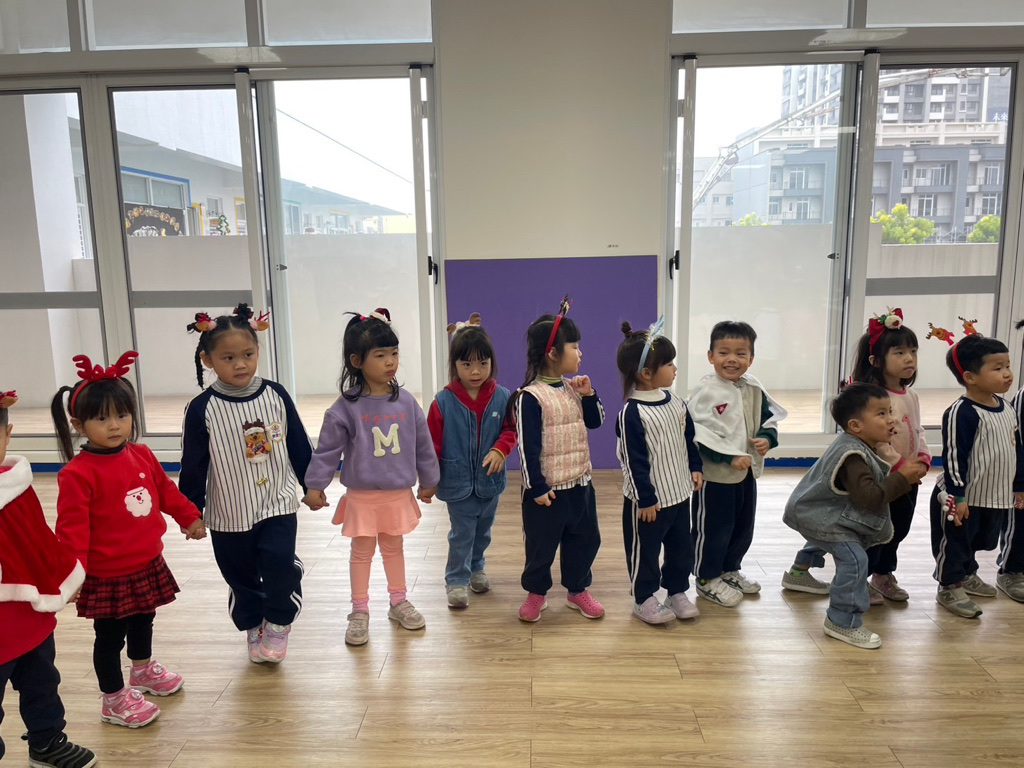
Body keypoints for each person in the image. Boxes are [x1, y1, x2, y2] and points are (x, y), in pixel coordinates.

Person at [51, 352, 207, 728]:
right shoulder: (77, 474)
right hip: (106, 573)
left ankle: (142, 670)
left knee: (143, 620)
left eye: (122, 415)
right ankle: (113, 698)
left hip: (146, 561)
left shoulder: (142, 454)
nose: (115, 425)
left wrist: (189, 516)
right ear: (78, 424)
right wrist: (71, 575)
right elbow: (72, 530)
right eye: (102, 419)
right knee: (109, 638)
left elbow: (165, 491)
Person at [179, 304, 313, 664]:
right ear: (208, 360)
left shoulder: (275, 395)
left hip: (277, 502)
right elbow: (193, 465)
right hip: (228, 512)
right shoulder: (202, 408)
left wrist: (311, 485)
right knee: (238, 574)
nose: (240, 364)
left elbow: (298, 443)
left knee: (278, 564)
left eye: (248, 355)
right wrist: (190, 513)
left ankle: (279, 621)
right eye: (229, 358)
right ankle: (253, 623)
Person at [302, 309, 439, 646]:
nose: (390, 361)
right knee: (361, 553)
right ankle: (359, 610)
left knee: (394, 548)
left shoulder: (407, 402)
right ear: (357, 361)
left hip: (397, 494)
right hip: (362, 496)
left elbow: (423, 444)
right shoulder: (345, 407)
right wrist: (315, 485)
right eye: (380, 355)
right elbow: (327, 450)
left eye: (394, 353)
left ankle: (398, 601)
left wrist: (429, 479)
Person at [782, 383, 928, 649]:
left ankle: (798, 572)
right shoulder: (853, 456)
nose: (892, 419)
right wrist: (902, 478)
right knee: (855, 558)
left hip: (818, 511)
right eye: (882, 414)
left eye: (890, 411)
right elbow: (869, 499)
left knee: (837, 534)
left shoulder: (860, 444)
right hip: (818, 514)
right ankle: (842, 621)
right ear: (855, 425)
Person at [0, 391, 96, 767]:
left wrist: (63, 577)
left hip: (29, 619)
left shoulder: (16, 487)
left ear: (8, 435)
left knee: (42, 684)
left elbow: (38, 540)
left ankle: (47, 743)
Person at [510, 295, 605, 623]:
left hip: (580, 486)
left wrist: (589, 395)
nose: (580, 353)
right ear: (553, 353)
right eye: (574, 347)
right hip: (546, 495)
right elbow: (526, 448)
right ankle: (536, 594)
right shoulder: (529, 397)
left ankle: (577, 590)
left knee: (585, 541)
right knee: (541, 547)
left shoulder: (574, 388)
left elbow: (596, 422)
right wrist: (536, 487)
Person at [688, 321, 786, 607]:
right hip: (716, 476)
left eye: (741, 353)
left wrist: (767, 438)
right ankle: (706, 577)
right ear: (710, 356)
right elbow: (699, 432)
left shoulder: (753, 387)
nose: (732, 359)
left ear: (751, 358)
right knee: (714, 528)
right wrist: (728, 456)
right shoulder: (707, 391)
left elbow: (768, 419)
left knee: (742, 526)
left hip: (746, 474)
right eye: (724, 352)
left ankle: (729, 568)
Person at [614, 318, 703, 624]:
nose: (674, 368)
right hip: (648, 504)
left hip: (679, 495)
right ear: (646, 373)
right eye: (668, 363)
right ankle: (644, 599)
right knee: (646, 552)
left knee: (681, 549)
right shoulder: (631, 413)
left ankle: (676, 591)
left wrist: (695, 467)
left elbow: (689, 439)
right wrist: (646, 499)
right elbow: (632, 460)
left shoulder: (676, 402)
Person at [930, 334, 1024, 618]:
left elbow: (1016, 449)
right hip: (962, 496)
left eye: (1008, 366)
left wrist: (1019, 486)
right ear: (970, 377)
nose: (1007, 374)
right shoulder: (961, 412)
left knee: (980, 540)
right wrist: (957, 496)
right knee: (956, 544)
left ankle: (967, 574)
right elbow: (954, 457)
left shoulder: (1007, 408)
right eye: (997, 368)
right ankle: (949, 585)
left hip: (994, 494)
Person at [426, 314, 516, 609]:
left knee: (483, 531)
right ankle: (456, 579)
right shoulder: (442, 402)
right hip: (457, 482)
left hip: (490, 482)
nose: (475, 371)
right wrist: (428, 480)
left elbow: (511, 430)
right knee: (462, 533)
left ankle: (477, 567)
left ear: (491, 363)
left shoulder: (503, 397)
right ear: (455, 365)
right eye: (466, 364)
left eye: (482, 363)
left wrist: (500, 450)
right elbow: (431, 445)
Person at [849, 308, 931, 603]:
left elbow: (918, 430)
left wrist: (923, 458)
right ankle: (859, 578)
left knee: (899, 528)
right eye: (899, 353)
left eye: (913, 352)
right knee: (875, 530)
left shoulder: (911, 395)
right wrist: (900, 466)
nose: (909, 359)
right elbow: (875, 440)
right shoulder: (873, 397)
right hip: (883, 479)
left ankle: (883, 574)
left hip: (909, 477)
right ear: (875, 361)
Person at [996, 318, 1024, 602]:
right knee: (1020, 527)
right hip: (1022, 481)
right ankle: (1011, 570)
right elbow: (1018, 447)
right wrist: (1019, 484)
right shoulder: (1022, 400)